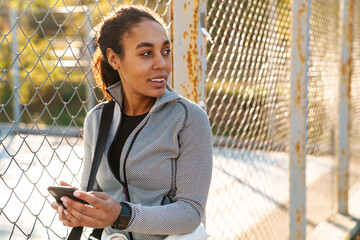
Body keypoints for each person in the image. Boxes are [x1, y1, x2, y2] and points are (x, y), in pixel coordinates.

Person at [51, 5, 213, 240]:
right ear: (114, 59)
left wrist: (122, 215)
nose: (162, 64)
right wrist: (77, 210)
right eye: (146, 53)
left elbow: (190, 212)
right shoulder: (97, 120)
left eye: (165, 51)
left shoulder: (188, 118)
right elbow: (95, 195)